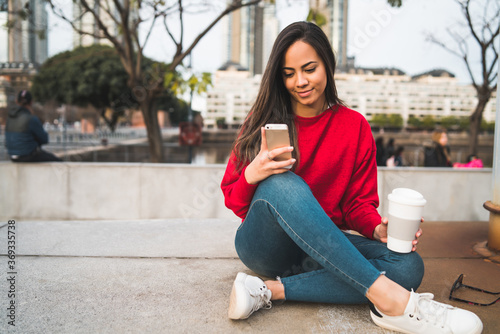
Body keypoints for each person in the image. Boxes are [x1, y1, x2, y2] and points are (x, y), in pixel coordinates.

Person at [220, 22, 482, 334]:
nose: (300, 81)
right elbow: (234, 201)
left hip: (324, 247)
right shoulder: (262, 122)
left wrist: (376, 227)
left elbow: (357, 203)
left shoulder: (354, 126)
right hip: (265, 245)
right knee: (281, 183)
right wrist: (255, 173)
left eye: (309, 68)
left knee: (408, 267)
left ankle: (269, 290)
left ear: (327, 66)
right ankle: (388, 300)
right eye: (289, 73)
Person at [5, 90, 62, 162]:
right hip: (27, 155)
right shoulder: (31, 119)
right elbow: (44, 139)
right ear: (31, 102)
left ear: (16, 101)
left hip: (12, 156)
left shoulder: (9, 118)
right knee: (58, 162)